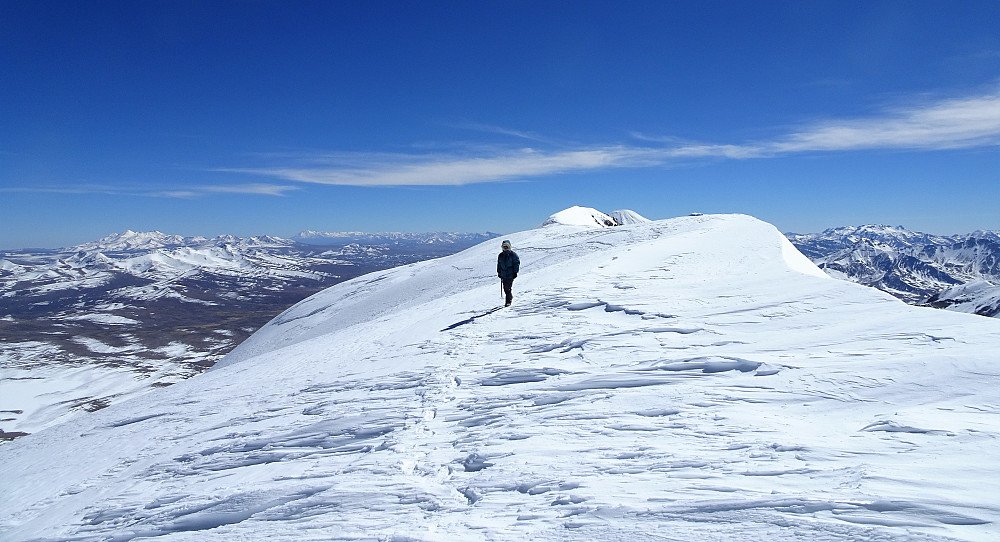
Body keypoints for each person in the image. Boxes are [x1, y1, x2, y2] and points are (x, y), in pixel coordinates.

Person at [497, 239, 520, 307]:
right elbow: (499, 264)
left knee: (508, 288)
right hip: (503, 274)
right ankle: (510, 296)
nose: (505, 248)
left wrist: (515, 272)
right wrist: (499, 272)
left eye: (506, 246)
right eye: (504, 246)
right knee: (505, 288)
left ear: (509, 246)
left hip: (510, 274)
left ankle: (508, 301)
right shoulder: (500, 255)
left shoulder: (513, 255)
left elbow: (516, 263)